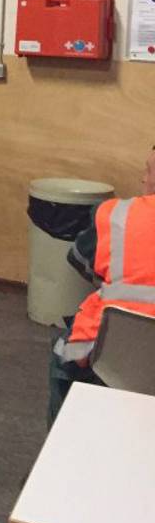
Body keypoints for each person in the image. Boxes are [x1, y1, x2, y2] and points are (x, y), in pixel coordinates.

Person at [49, 148, 155, 425]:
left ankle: (61, 450)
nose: (142, 178)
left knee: (63, 357)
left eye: (147, 170)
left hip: (111, 360)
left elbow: (79, 259)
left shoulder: (118, 214)